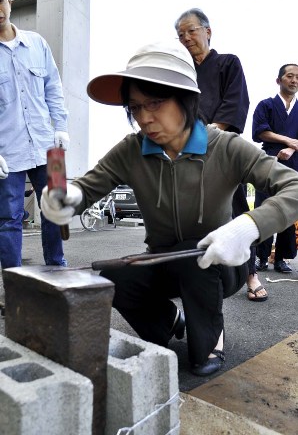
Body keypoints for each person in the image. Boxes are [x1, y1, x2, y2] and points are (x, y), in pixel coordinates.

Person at [41, 41, 298, 376]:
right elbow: (88, 186)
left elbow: (293, 186)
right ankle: (169, 322)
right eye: (135, 107)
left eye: (156, 103)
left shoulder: (226, 147)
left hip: (220, 262)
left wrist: (247, 226)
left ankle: (210, 339)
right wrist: (66, 197)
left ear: (186, 100)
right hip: (162, 258)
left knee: (197, 257)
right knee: (116, 277)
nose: (144, 118)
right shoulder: (131, 150)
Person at [174, 8, 268, 302]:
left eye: (191, 31)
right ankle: (187, 274)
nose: (186, 38)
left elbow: (236, 100)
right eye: (180, 35)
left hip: (221, 146)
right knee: (186, 217)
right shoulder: (181, 71)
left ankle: (250, 273)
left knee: (237, 213)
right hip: (186, 151)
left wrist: (212, 131)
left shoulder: (228, 63)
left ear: (207, 31)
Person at [0, 0, 69, 269]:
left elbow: (54, 87)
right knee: (8, 219)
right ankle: (15, 286)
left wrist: (61, 126)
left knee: (57, 208)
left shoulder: (37, 43)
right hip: (7, 150)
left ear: (9, 2)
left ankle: (57, 270)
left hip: (49, 146)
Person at [253, 64, 298, 273]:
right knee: (265, 208)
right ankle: (261, 257)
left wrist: (292, 149)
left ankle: (280, 258)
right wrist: (290, 142)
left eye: (297, 77)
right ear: (279, 80)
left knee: (289, 210)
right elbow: (261, 131)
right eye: (290, 76)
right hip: (269, 162)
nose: (294, 80)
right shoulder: (266, 105)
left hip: (295, 164)